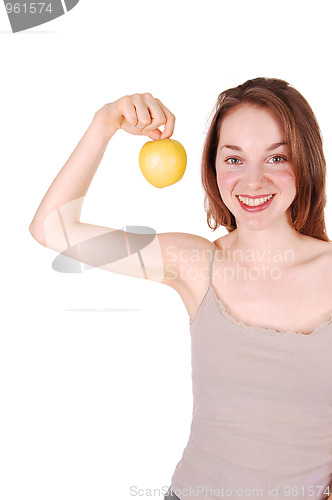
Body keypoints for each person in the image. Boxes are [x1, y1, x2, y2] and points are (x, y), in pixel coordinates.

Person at [29, 78, 332, 500]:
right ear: (213, 168)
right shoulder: (192, 263)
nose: (253, 180)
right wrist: (105, 122)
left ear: (306, 161)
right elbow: (51, 229)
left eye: (276, 157)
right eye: (234, 159)